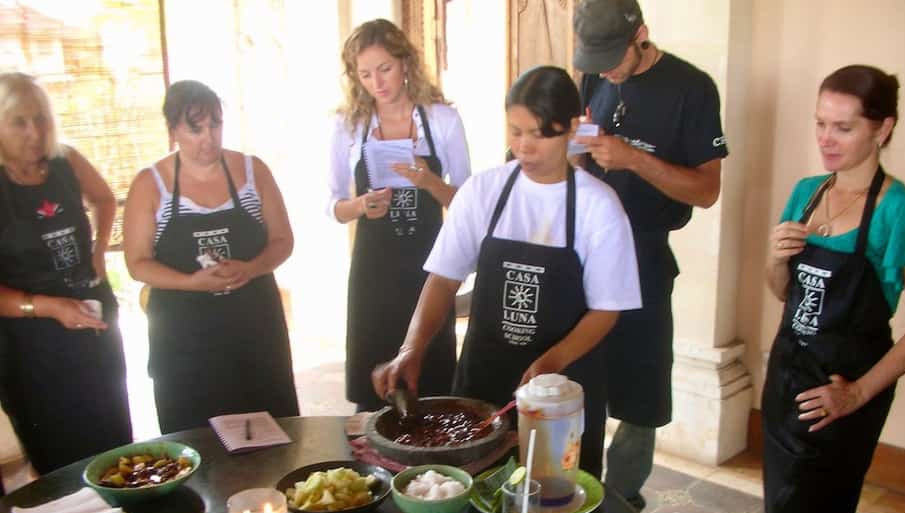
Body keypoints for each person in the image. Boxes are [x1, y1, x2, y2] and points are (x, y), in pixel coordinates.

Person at [736, 65, 905, 513]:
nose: (827, 138)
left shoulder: (902, 211)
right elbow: (785, 296)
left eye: (843, 127)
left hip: (844, 390)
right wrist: (772, 259)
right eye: (821, 123)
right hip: (791, 373)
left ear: (883, 128)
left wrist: (858, 393)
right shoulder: (808, 193)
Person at [373, 65, 641, 479]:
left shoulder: (597, 207)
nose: (524, 147)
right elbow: (443, 278)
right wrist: (413, 347)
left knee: (555, 503)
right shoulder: (483, 192)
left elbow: (607, 310)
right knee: (471, 492)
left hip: (559, 388)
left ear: (571, 129)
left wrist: (552, 362)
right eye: (515, 131)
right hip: (483, 379)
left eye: (539, 134)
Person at [571, 0, 728, 509]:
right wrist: (577, 147)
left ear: (642, 34)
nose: (606, 70)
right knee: (579, 382)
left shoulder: (692, 87)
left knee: (641, 396)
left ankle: (621, 506)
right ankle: (578, 496)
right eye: (595, 60)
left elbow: (706, 191)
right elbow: (584, 141)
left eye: (614, 56)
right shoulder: (595, 74)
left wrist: (634, 159)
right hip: (585, 255)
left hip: (644, 259)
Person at [123, 80, 298, 434]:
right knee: (195, 437)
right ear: (173, 131)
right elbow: (137, 263)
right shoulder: (150, 185)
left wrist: (250, 268)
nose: (209, 138)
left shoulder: (253, 172)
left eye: (215, 124)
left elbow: (283, 240)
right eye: (195, 128)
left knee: (270, 431)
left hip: (254, 327)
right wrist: (191, 282)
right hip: (184, 338)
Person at [327, 18, 471, 412]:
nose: (378, 83)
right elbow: (335, 206)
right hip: (372, 272)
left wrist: (429, 183)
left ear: (405, 63)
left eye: (385, 68)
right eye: (366, 74)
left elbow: (467, 201)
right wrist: (361, 206)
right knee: (371, 392)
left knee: (435, 383)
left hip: (430, 270)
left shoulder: (441, 120)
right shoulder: (348, 126)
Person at [0, 72, 132, 474]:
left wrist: (98, 252)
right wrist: (47, 306)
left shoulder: (66, 161)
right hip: (31, 338)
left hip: (91, 320)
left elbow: (105, 199)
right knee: (59, 455)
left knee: (112, 439)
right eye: (18, 122)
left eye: (40, 119)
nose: (34, 132)